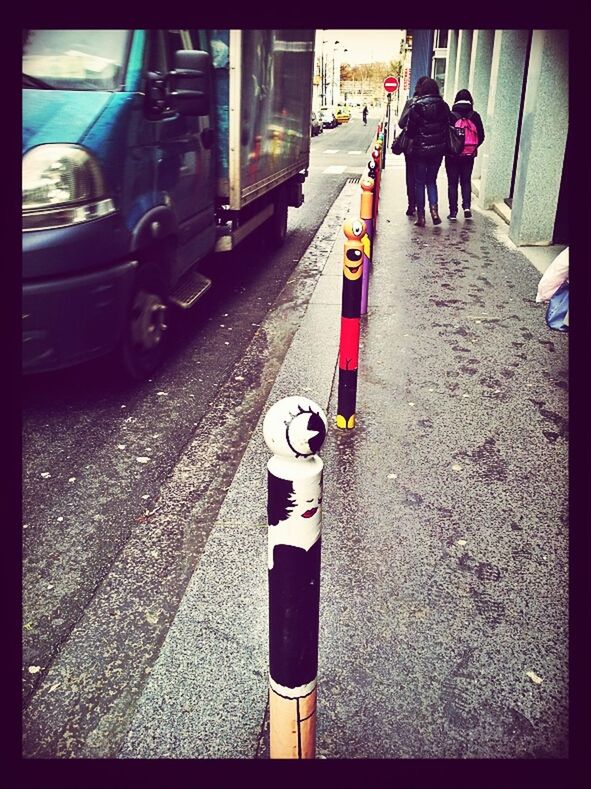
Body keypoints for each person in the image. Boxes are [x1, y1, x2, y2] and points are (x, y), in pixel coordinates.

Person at [405, 77, 452, 227]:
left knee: (419, 182)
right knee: (431, 180)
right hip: (438, 151)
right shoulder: (444, 106)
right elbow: (447, 126)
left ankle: (421, 217)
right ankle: (435, 212)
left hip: (420, 151)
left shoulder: (416, 107)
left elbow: (411, 132)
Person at [445, 89, 485, 220]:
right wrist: (472, 147)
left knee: (452, 183)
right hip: (469, 155)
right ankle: (467, 207)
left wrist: (450, 149)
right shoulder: (475, 116)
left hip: (452, 155)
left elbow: (446, 135)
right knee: (466, 181)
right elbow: (482, 136)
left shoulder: (451, 115)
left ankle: (453, 212)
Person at [397, 76, 430, 217]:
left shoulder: (411, 102)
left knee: (411, 176)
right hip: (428, 146)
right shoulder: (436, 103)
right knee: (423, 178)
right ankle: (423, 207)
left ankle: (412, 205)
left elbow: (401, 123)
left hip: (411, 146)